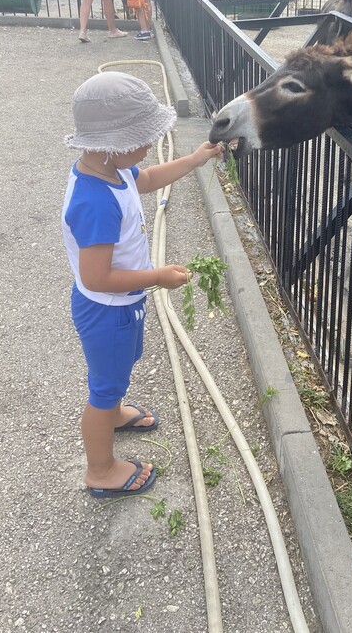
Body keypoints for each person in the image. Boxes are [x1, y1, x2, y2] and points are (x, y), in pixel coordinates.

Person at [61, 71, 223, 498]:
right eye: (144, 136)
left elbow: (145, 180)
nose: (151, 142)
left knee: (121, 367)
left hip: (122, 305)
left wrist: (194, 159)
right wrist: (157, 276)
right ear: (111, 142)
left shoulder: (113, 169)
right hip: (106, 309)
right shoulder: (94, 201)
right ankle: (100, 469)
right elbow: (97, 276)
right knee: (103, 387)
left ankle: (115, 412)